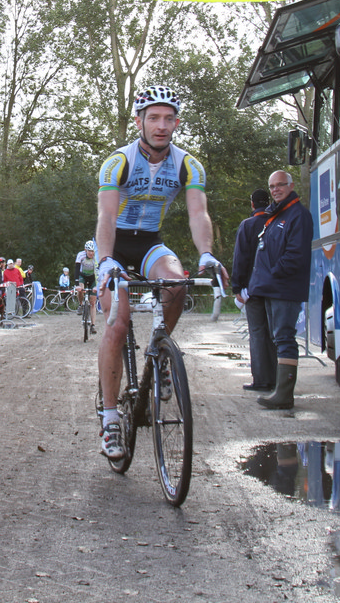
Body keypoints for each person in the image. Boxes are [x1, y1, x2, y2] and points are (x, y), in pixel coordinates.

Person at [94, 86, 228, 459]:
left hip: (150, 242)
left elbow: (198, 213)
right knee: (117, 323)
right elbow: (106, 215)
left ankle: (159, 351)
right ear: (139, 122)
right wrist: (105, 260)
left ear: (177, 123)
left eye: (168, 118)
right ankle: (110, 419)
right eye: (153, 118)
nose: (161, 125)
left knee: (177, 283)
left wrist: (207, 254)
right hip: (116, 244)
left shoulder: (188, 165)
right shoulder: (118, 161)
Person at [248, 170, 313, 411]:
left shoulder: (298, 215)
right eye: (272, 186)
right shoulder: (276, 215)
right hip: (271, 288)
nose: (276, 189)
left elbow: (295, 255)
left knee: (285, 337)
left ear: (291, 186)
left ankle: (284, 395)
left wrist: (273, 274)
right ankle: (279, 389)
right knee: (278, 338)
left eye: (280, 185)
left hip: (284, 289)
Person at [231, 188, 273, 391]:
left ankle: (261, 380)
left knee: (257, 333)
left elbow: (241, 257)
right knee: (274, 333)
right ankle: (277, 378)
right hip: (274, 288)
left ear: (252, 204)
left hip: (253, 288)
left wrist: (237, 286)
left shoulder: (247, 225)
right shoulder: (276, 222)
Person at [74, 240, 97, 331]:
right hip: (82, 276)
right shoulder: (81, 255)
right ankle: (80, 304)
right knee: (80, 289)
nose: (91, 253)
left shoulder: (97, 256)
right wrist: (77, 285)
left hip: (93, 277)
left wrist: (97, 285)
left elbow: (99, 271)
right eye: (89, 251)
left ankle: (93, 325)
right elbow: (76, 270)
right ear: (85, 250)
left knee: (93, 302)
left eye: (93, 251)